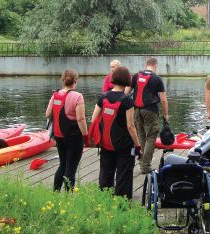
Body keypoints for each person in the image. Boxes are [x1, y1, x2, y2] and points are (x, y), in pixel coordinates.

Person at [91, 66, 141, 199]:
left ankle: (104, 200)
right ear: (127, 80)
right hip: (124, 145)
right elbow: (130, 126)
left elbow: (94, 119)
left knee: (106, 174)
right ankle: (122, 204)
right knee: (123, 175)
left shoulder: (103, 97)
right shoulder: (127, 101)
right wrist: (137, 145)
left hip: (106, 143)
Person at [45, 68, 88, 191]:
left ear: (62, 80)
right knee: (71, 167)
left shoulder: (55, 95)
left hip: (59, 136)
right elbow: (81, 119)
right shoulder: (78, 96)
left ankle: (55, 192)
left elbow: (47, 114)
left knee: (62, 164)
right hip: (74, 137)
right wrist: (85, 136)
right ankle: (68, 197)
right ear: (75, 81)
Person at [131, 57, 169, 174]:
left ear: (146, 65)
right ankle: (146, 166)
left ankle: (141, 164)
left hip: (136, 110)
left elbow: (126, 92)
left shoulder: (136, 76)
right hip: (150, 111)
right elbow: (163, 99)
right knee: (151, 137)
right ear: (155, 66)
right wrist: (166, 115)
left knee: (141, 136)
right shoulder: (157, 79)